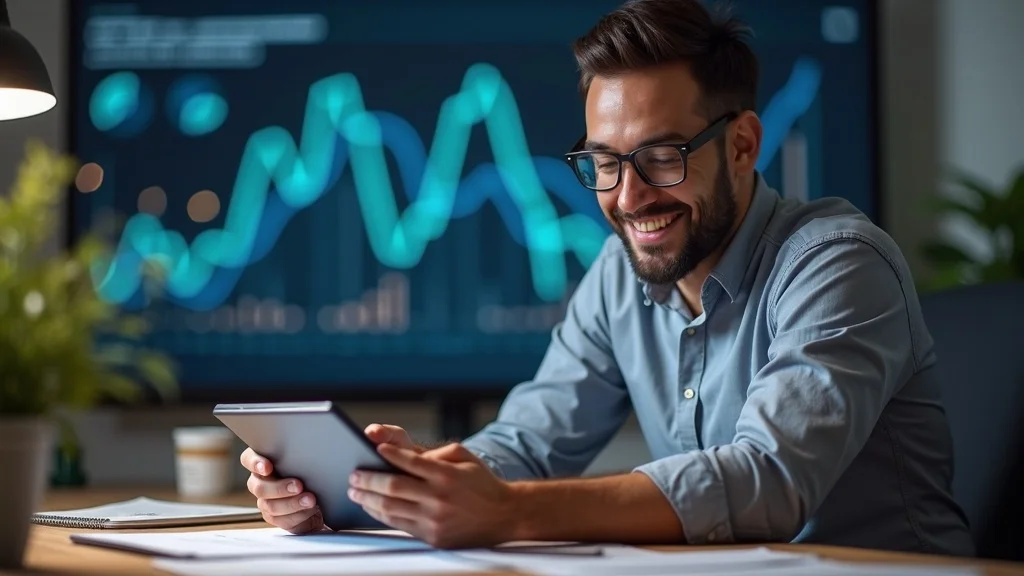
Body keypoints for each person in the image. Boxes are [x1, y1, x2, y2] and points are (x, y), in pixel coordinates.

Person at [240, 0, 975, 555]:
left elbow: (768, 481)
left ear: (744, 144)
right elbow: (524, 448)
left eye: (662, 157)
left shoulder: (838, 262)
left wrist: (511, 512)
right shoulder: (620, 276)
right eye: (603, 163)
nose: (627, 199)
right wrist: (387, 486)